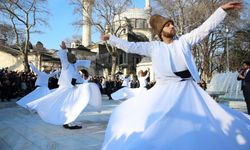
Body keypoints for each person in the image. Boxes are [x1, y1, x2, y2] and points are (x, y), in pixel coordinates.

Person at [101, 2, 250, 150]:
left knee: (204, 123)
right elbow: (130, 46)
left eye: (172, 24)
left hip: (188, 90)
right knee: (164, 126)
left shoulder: (183, 42)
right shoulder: (153, 47)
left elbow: (204, 29)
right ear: (160, 31)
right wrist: (112, 39)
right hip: (165, 92)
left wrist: (221, 10)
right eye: (167, 25)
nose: (172, 27)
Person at [27, 41, 102, 129]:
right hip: (67, 88)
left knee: (69, 104)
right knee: (68, 104)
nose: (76, 60)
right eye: (74, 59)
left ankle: (68, 121)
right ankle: (68, 122)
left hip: (70, 87)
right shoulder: (66, 64)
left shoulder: (74, 65)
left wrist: (89, 64)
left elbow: (79, 65)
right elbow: (63, 58)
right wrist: (63, 49)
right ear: (70, 60)